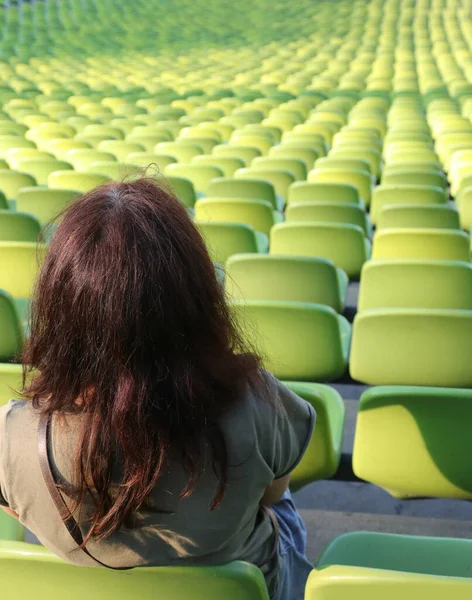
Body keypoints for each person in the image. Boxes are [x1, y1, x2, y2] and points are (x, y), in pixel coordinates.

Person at [0, 178, 315, 599]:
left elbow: (16, 506)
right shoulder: (259, 402)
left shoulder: (11, 437)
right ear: (199, 300)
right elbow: (273, 494)